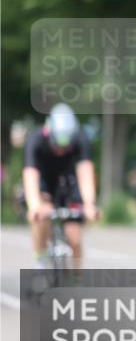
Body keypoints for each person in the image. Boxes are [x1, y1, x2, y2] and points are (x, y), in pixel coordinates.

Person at [22, 104, 100, 272]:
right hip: (44, 182)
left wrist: (89, 204)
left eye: (66, 147)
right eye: (57, 146)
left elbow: (85, 173)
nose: (61, 152)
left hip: (68, 182)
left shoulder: (81, 138)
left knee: (75, 238)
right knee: (41, 215)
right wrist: (34, 206)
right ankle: (40, 256)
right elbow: (30, 176)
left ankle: (76, 280)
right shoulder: (35, 140)